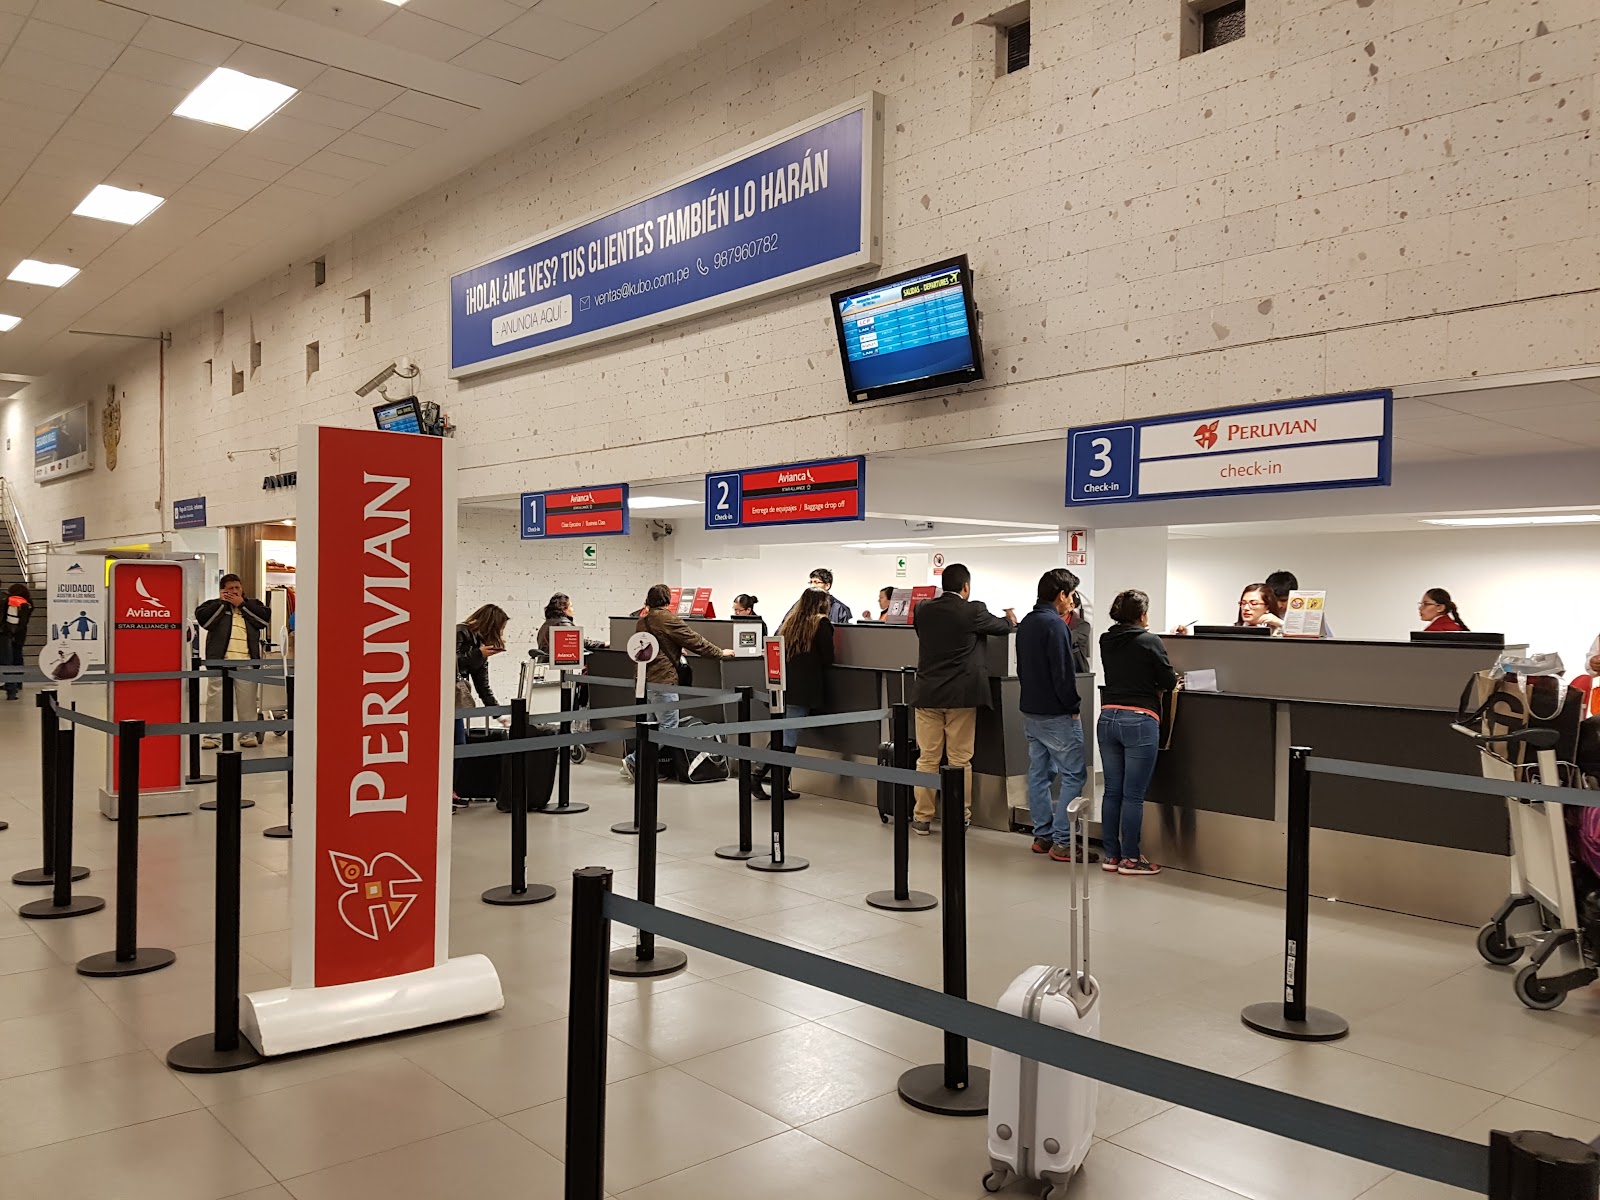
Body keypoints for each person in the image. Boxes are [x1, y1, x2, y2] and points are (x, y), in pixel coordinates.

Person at [910, 563, 1017, 834]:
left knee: (927, 758)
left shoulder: (923, 610)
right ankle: (959, 815)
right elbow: (1002, 627)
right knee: (959, 760)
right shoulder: (973, 610)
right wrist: (1010, 619)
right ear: (965, 587)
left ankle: (922, 817)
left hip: (927, 694)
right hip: (961, 696)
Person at [1098, 589, 1178, 876]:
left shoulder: (1106, 639)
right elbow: (1168, 680)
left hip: (1108, 717)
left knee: (1112, 792)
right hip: (1139, 719)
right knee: (1132, 795)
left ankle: (1111, 856)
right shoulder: (1149, 641)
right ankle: (1131, 859)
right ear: (1142, 614)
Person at [622, 583, 733, 780]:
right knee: (668, 727)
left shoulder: (643, 620)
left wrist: (673, 647)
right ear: (668, 600)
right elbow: (694, 640)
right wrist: (720, 653)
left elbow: (652, 646)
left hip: (644, 680)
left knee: (650, 725)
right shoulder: (667, 618)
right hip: (663, 680)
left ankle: (645, 768)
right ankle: (634, 760)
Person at [1016, 569, 1087, 860]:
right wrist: (1073, 707)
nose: (1072, 602)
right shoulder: (1056, 626)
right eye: (1071, 596)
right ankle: (1062, 841)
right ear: (1061, 595)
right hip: (1057, 715)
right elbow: (1063, 674)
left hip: (1031, 712)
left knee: (1039, 774)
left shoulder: (1026, 623)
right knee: (1074, 774)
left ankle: (1042, 836)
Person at [761, 587, 833, 800]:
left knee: (782, 733)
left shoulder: (790, 622)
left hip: (784, 685)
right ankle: (768, 781)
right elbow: (828, 656)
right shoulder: (821, 623)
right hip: (804, 687)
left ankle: (767, 780)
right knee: (789, 737)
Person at [195, 574, 271, 748]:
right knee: (216, 702)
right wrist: (223, 604)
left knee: (248, 702)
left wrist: (242, 605)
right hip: (219, 662)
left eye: (237, 588)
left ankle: (247, 736)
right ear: (223, 590)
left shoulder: (253, 605)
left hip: (246, 662)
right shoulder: (212, 606)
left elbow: (262, 621)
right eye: (230, 588)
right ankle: (212, 737)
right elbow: (207, 623)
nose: (235, 591)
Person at [454, 604, 507, 805]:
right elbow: (449, 660)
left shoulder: (482, 646)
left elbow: (482, 685)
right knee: (456, 745)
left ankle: (451, 791)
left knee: (460, 745)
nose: (500, 632)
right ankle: (445, 792)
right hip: (442, 697)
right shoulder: (461, 631)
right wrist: (479, 654)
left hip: (455, 702)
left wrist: (497, 714)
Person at [1265, 570, 1331, 637]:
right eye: (1274, 600)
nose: (1279, 605)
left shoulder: (1309, 616)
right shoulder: (1261, 613)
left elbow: (1330, 641)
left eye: (1283, 600)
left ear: (1294, 596)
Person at [535, 593, 605, 657]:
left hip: (544, 665)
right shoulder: (563, 624)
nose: (573, 609)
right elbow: (578, 642)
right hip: (556, 667)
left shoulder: (546, 624)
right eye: (571, 606)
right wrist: (603, 644)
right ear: (564, 609)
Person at [2, 581, 32, 700]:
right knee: (17, 656)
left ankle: (13, 683)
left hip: (11, 633)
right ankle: (17, 682)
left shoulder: (12, 602)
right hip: (20, 633)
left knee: (11, 658)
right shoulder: (28, 604)